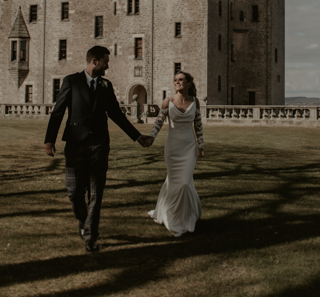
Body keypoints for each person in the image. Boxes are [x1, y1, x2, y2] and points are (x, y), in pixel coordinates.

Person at [44, 46, 153, 252]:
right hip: (75, 144)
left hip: (99, 146)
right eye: (105, 61)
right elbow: (58, 112)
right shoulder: (71, 81)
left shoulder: (106, 85)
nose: (108, 65)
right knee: (74, 192)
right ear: (94, 61)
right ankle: (84, 223)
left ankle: (91, 236)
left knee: (96, 194)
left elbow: (116, 115)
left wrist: (137, 136)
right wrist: (50, 140)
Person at [146, 71, 205, 237]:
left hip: (189, 148)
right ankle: (171, 217)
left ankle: (187, 216)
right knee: (174, 182)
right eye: (175, 80)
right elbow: (158, 122)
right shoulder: (168, 101)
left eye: (180, 80)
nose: (177, 82)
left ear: (188, 83)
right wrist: (151, 137)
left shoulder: (195, 102)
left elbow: (198, 125)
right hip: (172, 148)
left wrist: (201, 144)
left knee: (185, 183)